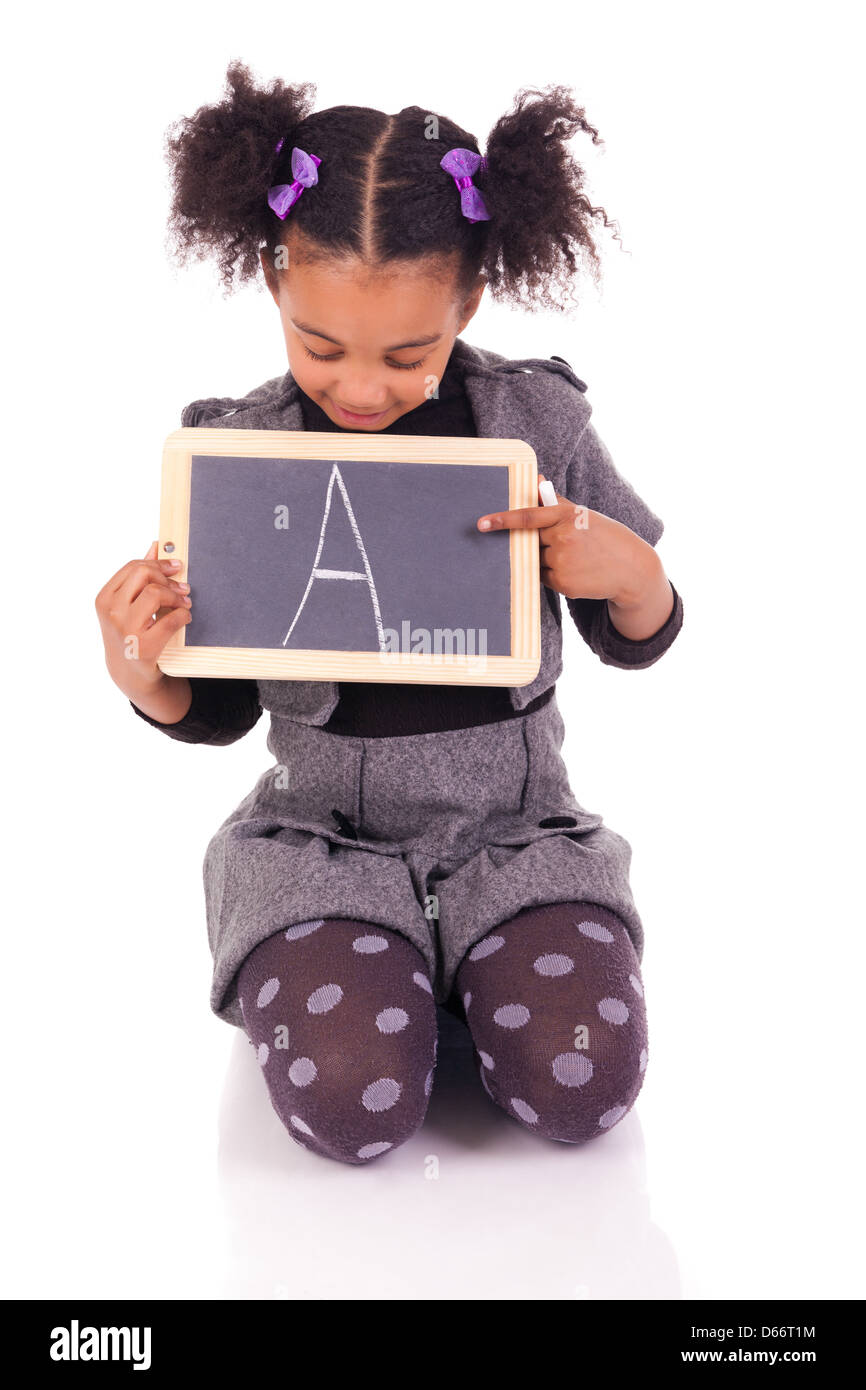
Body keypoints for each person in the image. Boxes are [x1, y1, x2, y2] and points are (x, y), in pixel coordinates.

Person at [95, 62, 684, 1166]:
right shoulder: (244, 452)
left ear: (466, 302)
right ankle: (388, 966)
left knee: (580, 1091)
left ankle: (474, 952)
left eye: (405, 355)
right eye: (320, 347)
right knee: (354, 1108)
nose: (360, 390)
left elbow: (637, 625)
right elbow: (218, 699)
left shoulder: (533, 422)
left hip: (515, 835)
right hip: (320, 844)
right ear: (274, 284)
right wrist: (147, 674)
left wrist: (627, 572)